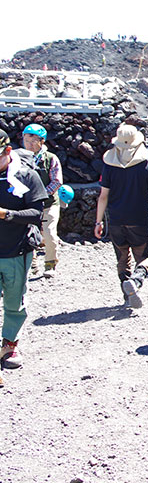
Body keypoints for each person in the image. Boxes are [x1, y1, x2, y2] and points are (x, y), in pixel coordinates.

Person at [94, 125, 148, 309]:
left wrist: (98, 221)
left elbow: (103, 196)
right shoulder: (146, 166)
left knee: (122, 257)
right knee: (145, 255)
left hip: (116, 219)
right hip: (139, 219)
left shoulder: (109, 167)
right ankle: (137, 280)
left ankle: (127, 295)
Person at [0, 128, 48, 369]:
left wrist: (7, 214)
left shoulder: (27, 176)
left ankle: (9, 345)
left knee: (13, 301)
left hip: (15, 250)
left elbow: (36, 213)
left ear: (8, 151)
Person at [21, 124, 62, 277]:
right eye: (26, 141)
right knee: (26, 234)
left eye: (33, 142)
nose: (29, 145)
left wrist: (40, 195)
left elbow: (57, 181)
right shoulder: (18, 159)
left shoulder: (50, 159)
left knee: (49, 234)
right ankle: (32, 265)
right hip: (26, 204)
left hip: (48, 203)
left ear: (42, 142)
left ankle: (50, 264)